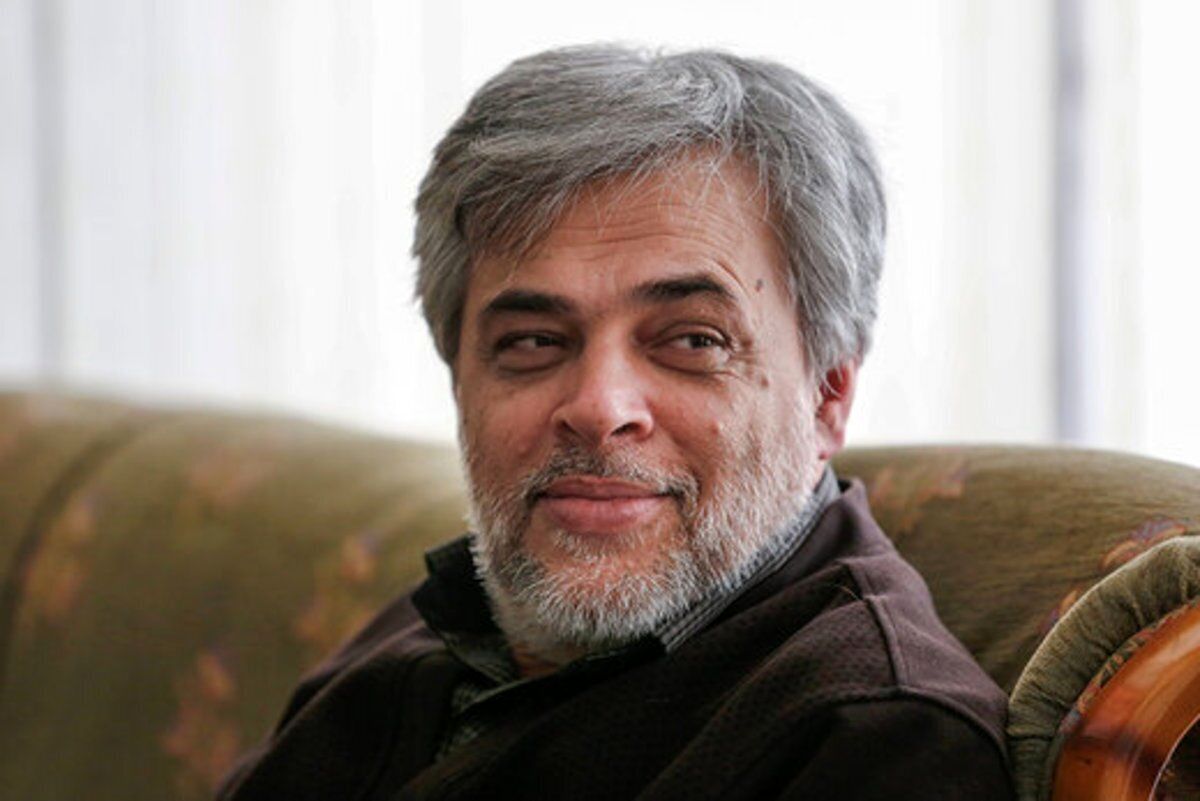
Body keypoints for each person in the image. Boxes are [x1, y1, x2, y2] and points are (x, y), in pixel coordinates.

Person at [219, 45, 1014, 800]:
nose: (599, 408)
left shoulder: (878, 740)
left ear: (828, 395)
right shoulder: (457, 613)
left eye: (693, 341)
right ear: (459, 379)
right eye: (533, 341)